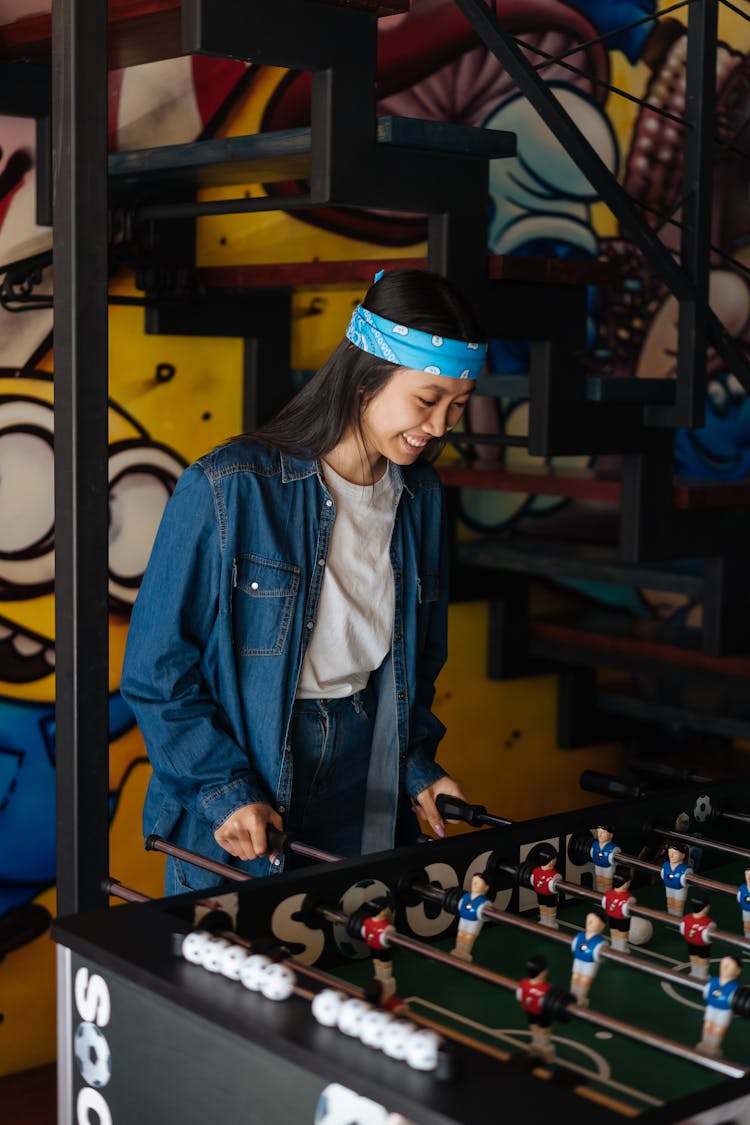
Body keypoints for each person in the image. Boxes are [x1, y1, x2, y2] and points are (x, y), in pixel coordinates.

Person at [121, 269, 487, 893]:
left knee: (349, 956)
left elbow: (420, 657)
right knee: (235, 975)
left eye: (457, 405)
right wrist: (222, 789)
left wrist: (417, 766)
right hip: (251, 768)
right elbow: (157, 669)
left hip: (368, 760)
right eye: (427, 401)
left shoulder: (420, 495)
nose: (442, 425)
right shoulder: (229, 486)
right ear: (366, 374)